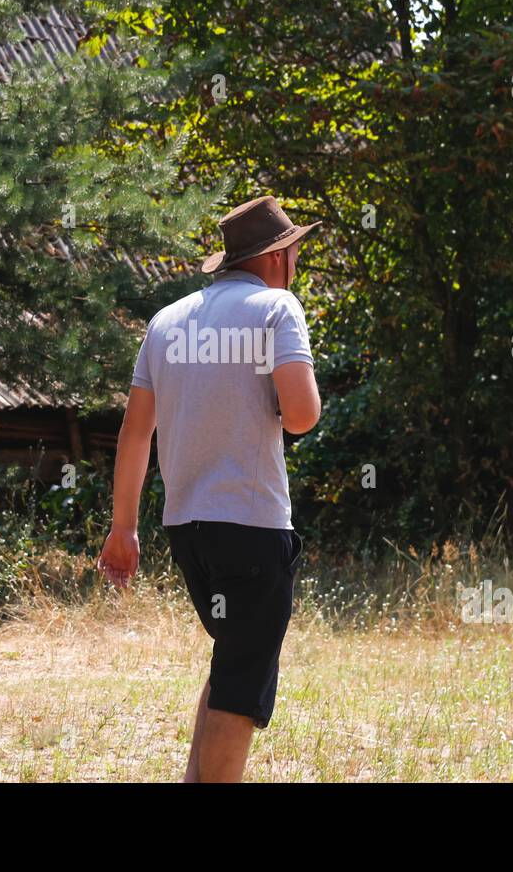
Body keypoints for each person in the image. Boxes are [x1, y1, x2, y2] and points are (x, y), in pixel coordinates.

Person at [97, 194, 323, 782]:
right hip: (251, 525)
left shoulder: (166, 321)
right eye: (294, 250)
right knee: (242, 686)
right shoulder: (278, 308)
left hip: (187, 530)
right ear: (277, 257)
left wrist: (124, 529)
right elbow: (301, 415)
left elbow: (134, 434)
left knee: (231, 664)